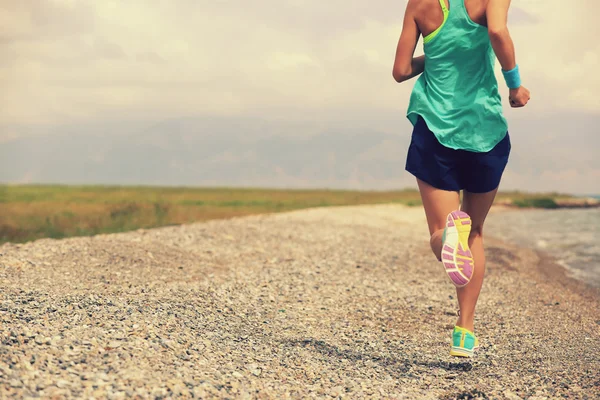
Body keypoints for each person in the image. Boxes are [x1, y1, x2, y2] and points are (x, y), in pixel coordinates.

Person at [392, 0, 530, 357]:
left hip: (434, 128)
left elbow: (401, 70)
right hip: (484, 130)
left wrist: (435, 57)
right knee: (476, 230)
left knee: (443, 231)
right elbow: (497, 31)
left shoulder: (419, 4)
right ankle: (464, 330)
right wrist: (515, 85)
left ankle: (447, 237)